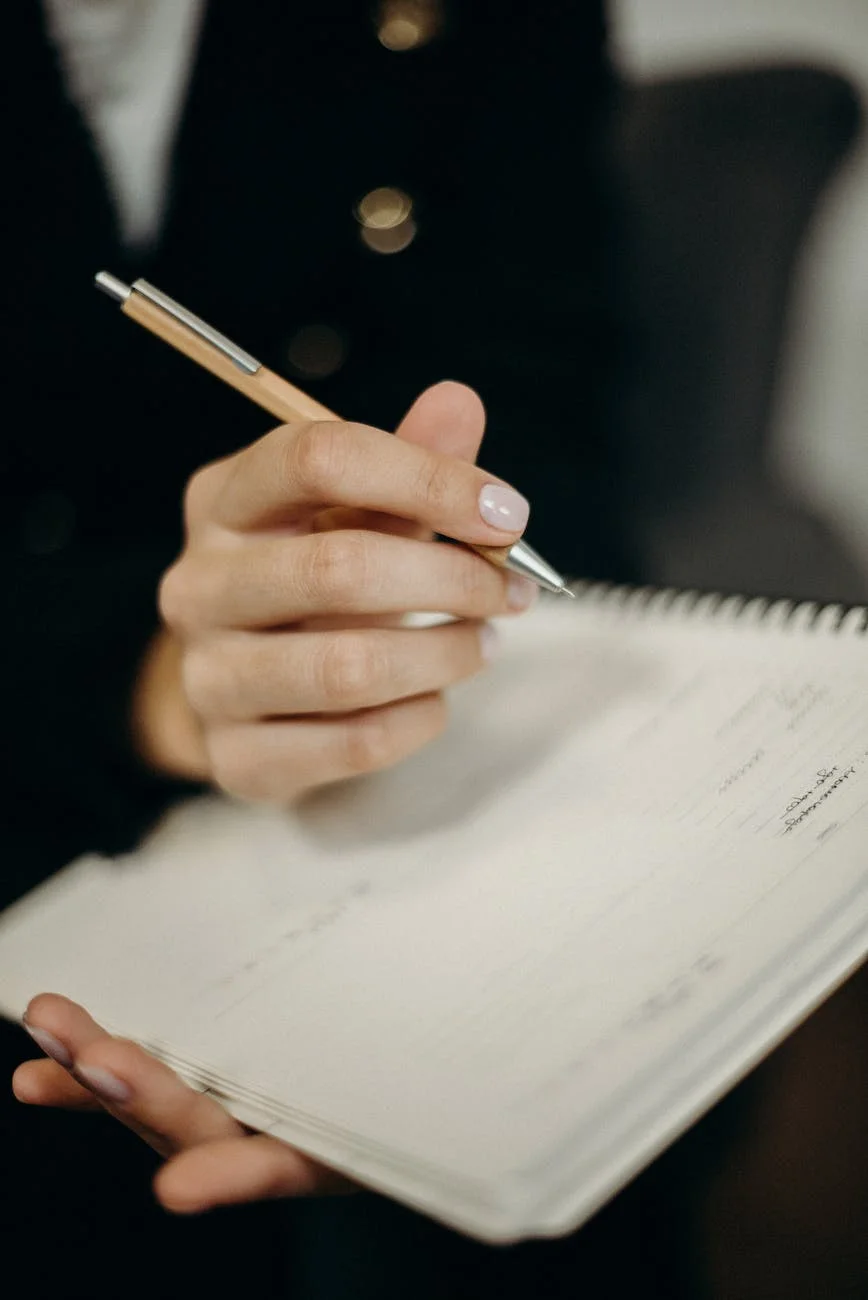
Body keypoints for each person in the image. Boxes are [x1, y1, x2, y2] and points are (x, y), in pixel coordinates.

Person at [5, 4, 868, 1297]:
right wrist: (144, 681)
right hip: (43, 791)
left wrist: (417, 587)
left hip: (428, 744)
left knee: (575, 1159)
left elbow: (555, 409)